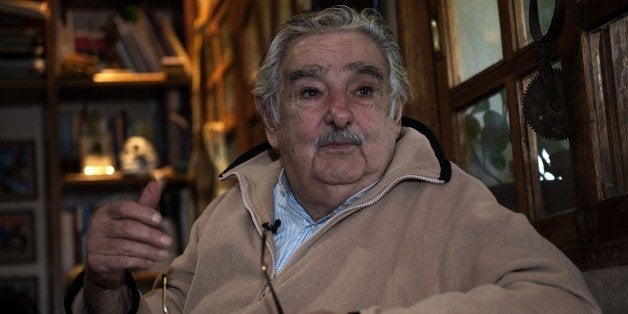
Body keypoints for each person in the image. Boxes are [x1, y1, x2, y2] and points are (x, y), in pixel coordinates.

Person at [66, 6, 601, 313]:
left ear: (395, 111)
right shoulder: (230, 213)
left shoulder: (448, 200)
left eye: (364, 90)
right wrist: (106, 286)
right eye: (311, 92)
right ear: (271, 119)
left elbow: (563, 300)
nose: (340, 114)